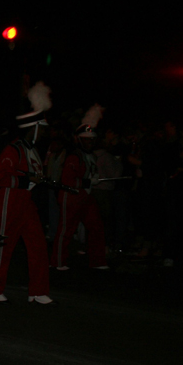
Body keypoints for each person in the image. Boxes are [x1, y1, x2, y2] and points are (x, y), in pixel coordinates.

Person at [0, 82, 55, 305]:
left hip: (26, 201)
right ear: (34, 128)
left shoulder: (32, 150)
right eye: (42, 128)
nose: (44, 133)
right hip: (10, 199)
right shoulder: (13, 149)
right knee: (4, 246)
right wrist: (28, 179)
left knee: (38, 245)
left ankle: (38, 290)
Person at [50, 105, 110, 270]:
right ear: (79, 140)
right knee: (66, 230)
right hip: (71, 196)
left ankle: (98, 261)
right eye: (86, 139)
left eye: (92, 139)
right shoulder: (74, 156)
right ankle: (57, 262)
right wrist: (88, 182)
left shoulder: (91, 156)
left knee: (96, 227)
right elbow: (67, 180)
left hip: (85, 196)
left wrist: (91, 181)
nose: (90, 142)